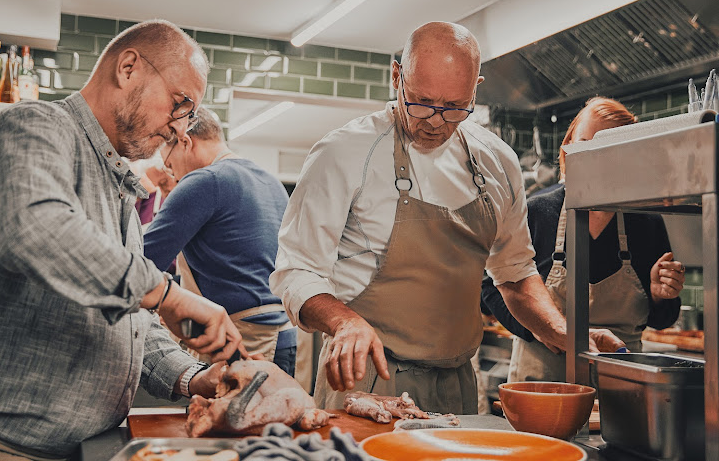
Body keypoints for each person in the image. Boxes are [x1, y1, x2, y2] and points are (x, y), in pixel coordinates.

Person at [270, 22, 624, 415]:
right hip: (369, 381)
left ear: (476, 88)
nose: (436, 121)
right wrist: (343, 322)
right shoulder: (343, 153)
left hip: (457, 382)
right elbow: (295, 270)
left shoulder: (498, 160)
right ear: (395, 77)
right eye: (421, 102)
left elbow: (515, 274)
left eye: (455, 108)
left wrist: (567, 334)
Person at [0, 20, 248, 460]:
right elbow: (38, 230)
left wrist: (194, 377)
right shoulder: (31, 127)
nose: (180, 129)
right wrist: (166, 295)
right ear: (128, 67)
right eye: (180, 103)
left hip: (88, 444)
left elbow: (131, 324)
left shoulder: (120, 192)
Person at [481, 97, 685, 382]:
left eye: (606, 148)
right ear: (568, 148)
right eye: (583, 142)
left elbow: (662, 319)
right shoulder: (537, 211)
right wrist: (540, 329)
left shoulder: (646, 224)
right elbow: (490, 287)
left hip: (621, 389)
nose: (591, 156)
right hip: (543, 384)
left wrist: (660, 296)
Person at [145, 106, 296, 376]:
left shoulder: (203, 181)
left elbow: (143, 260)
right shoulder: (271, 183)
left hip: (240, 339)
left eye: (169, 165)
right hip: (282, 334)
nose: (173, 175)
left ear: (185, 142)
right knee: (273, 417)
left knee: (220, 417)